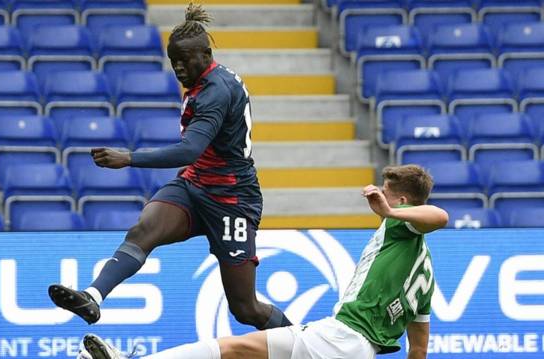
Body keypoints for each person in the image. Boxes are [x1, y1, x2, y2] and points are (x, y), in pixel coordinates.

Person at [48, 3, 292, 331]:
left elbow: (189, 150)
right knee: (143, 230)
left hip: (232, 199)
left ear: (206, 54)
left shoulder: (215, 92)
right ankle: (93, 296)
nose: (178, 67)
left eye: (185, 60)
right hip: (195, 186)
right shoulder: (205, 80)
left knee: (245, 308)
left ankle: (302, 346)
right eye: (172, 60)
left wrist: (129, 158)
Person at [76, 164, 448, 359]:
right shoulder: (425, 276)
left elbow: (440, 217)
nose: (378, 201)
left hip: (341, 338)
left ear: (402, 202)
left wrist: (393, 214)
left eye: (385, 195)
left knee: (235, 349)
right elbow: (418, 349)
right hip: (356, 351)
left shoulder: (402, 228)